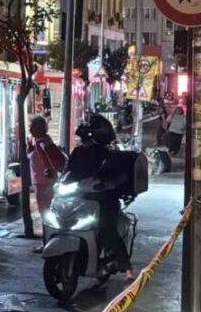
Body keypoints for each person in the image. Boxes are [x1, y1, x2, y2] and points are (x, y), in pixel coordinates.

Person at [66, 115, 134, 281]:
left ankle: (127, 267)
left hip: (104, 199)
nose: (84, 141)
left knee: (106, 229)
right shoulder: (78, 152)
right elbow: (68, 172)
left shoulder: (108, 156)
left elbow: (118, 177)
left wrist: (108, 184)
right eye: (83, 137)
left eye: (87, 137)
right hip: (81, 196)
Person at [29, 116, 67, 251]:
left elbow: (53, 159)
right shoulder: (44, 141)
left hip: (44, 183)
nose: (30, 129)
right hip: (46, 182)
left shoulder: (42, 143)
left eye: (32, 126)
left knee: (45, 213)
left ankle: (47, 243)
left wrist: (49, 170)